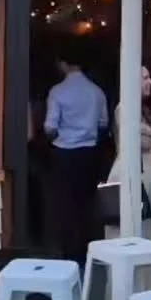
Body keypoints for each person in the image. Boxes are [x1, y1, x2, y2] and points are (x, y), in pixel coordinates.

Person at [44, 43, 109, 266]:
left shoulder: (58, 91)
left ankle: (68, 250)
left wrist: (58, 135)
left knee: (64, 203)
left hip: (64, 153)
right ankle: (87, 247)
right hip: (90, 152)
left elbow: (50, 127)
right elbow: (103, 123)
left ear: (63, 64)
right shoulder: (96, 91)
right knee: (87, 201)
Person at [107, 65, 151, 245]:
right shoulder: (124, 108)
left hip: (147, 172)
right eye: (145, 78)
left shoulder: (142, 109)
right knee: (134, 228)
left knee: (149, 228)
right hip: (133, 172)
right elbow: (137, 139)